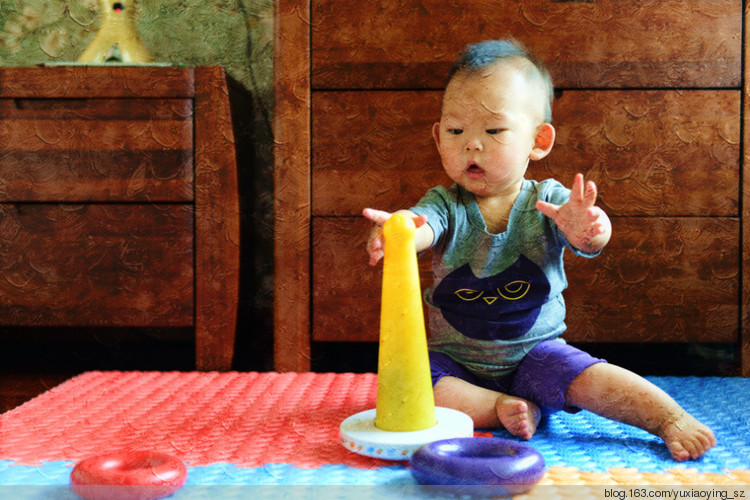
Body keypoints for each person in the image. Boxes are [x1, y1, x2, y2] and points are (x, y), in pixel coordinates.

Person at [363, 39, 715, 461]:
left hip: (537, 354)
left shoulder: (548, 199)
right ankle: (499, 408)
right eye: (456, 131)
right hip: (456, 362)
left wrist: (587, 229)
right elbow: (423, 226)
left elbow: (590, 240)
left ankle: (668, 418)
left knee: (591, 377)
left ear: (539, 140)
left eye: (493, 131)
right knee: (415, 387)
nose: (472, 144)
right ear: (439, 138)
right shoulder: (445, 203)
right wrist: (399, 233)